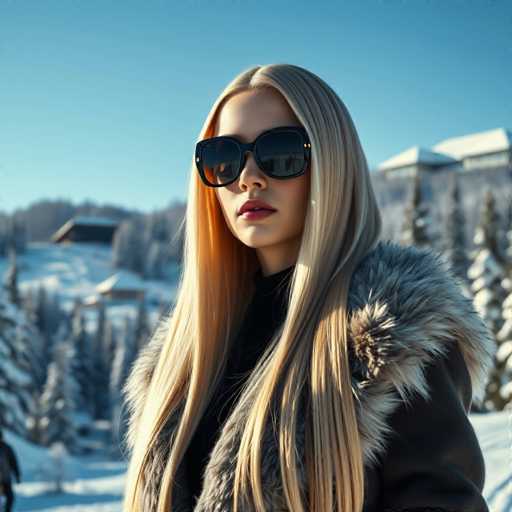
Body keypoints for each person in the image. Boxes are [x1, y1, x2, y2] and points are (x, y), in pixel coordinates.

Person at [120, 64, 496, 511]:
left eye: (280, 153)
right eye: (224, 157)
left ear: (331, 164)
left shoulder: (387, 337)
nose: (248, 177)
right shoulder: (181, 359)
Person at [0, 429, 21, 512]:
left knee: (10, 498)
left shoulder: (7, 448)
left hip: (5, 479)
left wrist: (17, 475)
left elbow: (13, 462)